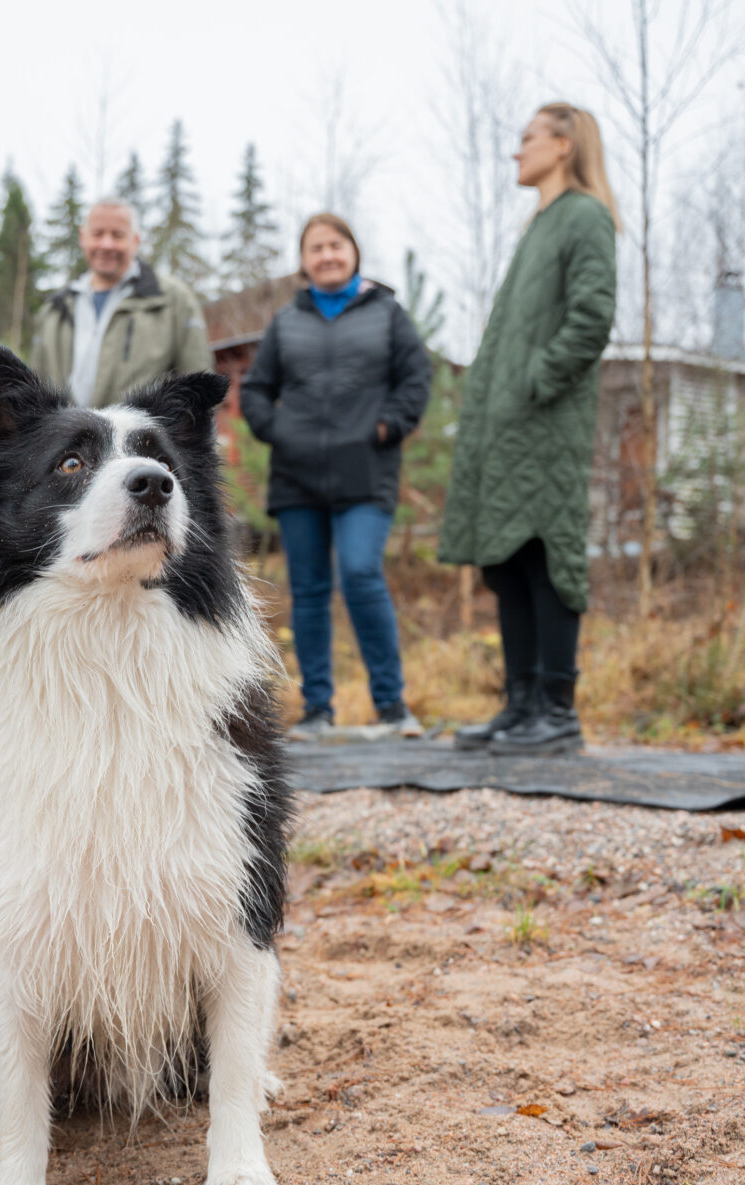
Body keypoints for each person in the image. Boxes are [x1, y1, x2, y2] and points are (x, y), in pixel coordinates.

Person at [439, 102, 620, 757]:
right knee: (508, 561)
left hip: (546, 424)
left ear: (564, 144)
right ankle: (520, 708)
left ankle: (557, 711)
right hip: (505, 427)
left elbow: (592, 316)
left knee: (546, 558)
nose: (517, 151)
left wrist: (536, 381)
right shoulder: (539, 224)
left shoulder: (585, 216)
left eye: (528, 138)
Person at [240, 212, 433, 739]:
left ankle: (392, 706)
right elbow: (255, 389)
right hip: (296, 476)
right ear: (304, 261)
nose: (327, 255)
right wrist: (276, 430)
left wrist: (387, 427)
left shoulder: (387, 312)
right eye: (316, 248)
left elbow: (417, 377)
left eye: (335, 245)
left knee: (361, 573)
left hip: (366, 471)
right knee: (308, 591)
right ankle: (317, 710)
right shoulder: (287, 321)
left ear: (353, 252)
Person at [31, 199, 214, 408]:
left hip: (142, 430)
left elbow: (199, 389)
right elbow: (35, 393)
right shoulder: (54, 309)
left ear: (135, 240)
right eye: (98, 234)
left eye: (117, 235)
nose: (106, 244)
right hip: (64, 430)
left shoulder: (174, 300)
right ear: (83, 237)